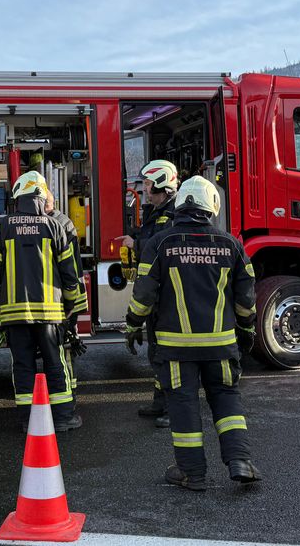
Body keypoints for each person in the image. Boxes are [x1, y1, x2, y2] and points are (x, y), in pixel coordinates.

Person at [125, 176, 260, 490]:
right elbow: (246, 298)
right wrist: (247, 329)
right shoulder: (231, 245)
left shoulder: (161, 244)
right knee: (226, 400)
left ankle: (192, 473)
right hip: (222, 346)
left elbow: (144, 294)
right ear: (212, 206)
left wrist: (133, 324)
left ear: (180, 204)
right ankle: (240, 460)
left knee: (183, 405)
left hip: (176, 349)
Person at [0, 171, 84, 430]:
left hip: (15, 314)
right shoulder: (54, 226)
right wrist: (70, 305)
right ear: (42, 197)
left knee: (23, 365)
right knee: (55, 363)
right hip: (50, 314)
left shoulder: (3, 227)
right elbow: (69, 273)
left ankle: (28, 421)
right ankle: (63, 418)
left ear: (17, 197)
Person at [114, 160, 180, 428]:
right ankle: (159, 402)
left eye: (149, 185)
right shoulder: (158, 210)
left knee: (168, 355)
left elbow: (163, 246)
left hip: (169, 296)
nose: (145, 190)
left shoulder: (173, 212)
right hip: (156, 295)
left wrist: (136, 243)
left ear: (163, 184)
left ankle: (173, 410)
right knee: (156, 351)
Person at [45, 190, 87, 391]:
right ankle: (67, 387)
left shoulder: (58, 224)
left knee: (65, 343)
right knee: (64, 342)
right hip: (66, 294)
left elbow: (66, 267)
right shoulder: (63, 221)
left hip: (63, 296)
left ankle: (68, 387)